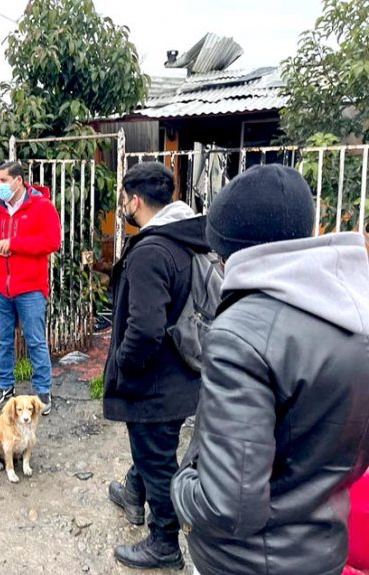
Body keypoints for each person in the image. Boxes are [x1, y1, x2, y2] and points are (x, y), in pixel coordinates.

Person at [171, 165, 369, 575]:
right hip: (323, 549)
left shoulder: (243, 332)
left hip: (247, 560)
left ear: (231, 252)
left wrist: (180, 484)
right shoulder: (352, 313)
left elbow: (228, 507)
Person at [102, 161, 209, 569]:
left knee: (157, 458)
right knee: (151, 449)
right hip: (178, 373)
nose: (124, 207)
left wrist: (125, 365)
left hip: (156, 380)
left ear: (136, 200)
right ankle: (133, 492)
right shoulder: (181, 236)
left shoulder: (152, 250)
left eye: (125, 199)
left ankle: (164, 543)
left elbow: (144, 329)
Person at [0, 161, 61, 415]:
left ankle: (42, 391)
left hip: (31, 288)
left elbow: (52, 240)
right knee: (2, 340)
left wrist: (15, 243)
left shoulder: (41, 206)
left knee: (35, 340)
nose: (0, 186)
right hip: (0, 287)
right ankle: (5, 387)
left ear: (19, 180)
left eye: (4, 180)